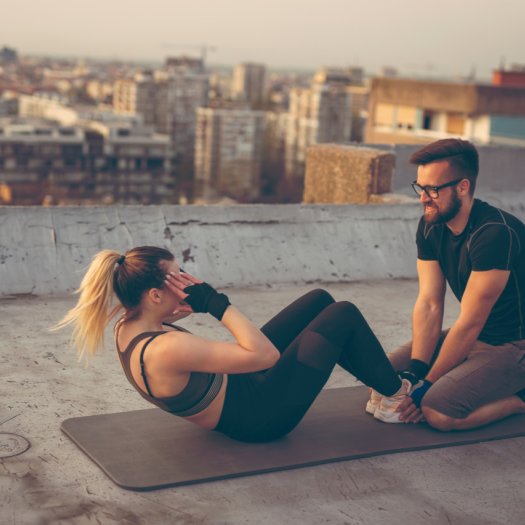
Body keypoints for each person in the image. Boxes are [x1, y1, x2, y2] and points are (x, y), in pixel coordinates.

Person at [56, 246, 413, 443]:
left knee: (320, 300)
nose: (186, 282)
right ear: (153, 294)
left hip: (241, 391)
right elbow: (264, 356)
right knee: (343, 315)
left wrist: (187, 305)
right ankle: (396, 398)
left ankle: (382, 388)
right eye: (178, 278)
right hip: (260, 417)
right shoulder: (165, 350)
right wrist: (215, 303)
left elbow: (162, 321)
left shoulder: (129, 323)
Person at [368, 138, 525, 430]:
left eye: (433, 189)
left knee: (437, 412)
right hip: (472, 337)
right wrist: (416, 371)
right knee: (381, 378)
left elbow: (469, 323)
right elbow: (429, 302)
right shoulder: (431, 224)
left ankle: (519, 400)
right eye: (420, 187)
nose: (423, 198)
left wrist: (427, 385)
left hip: (513, 346)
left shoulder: (494, 235)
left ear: (463, 187)